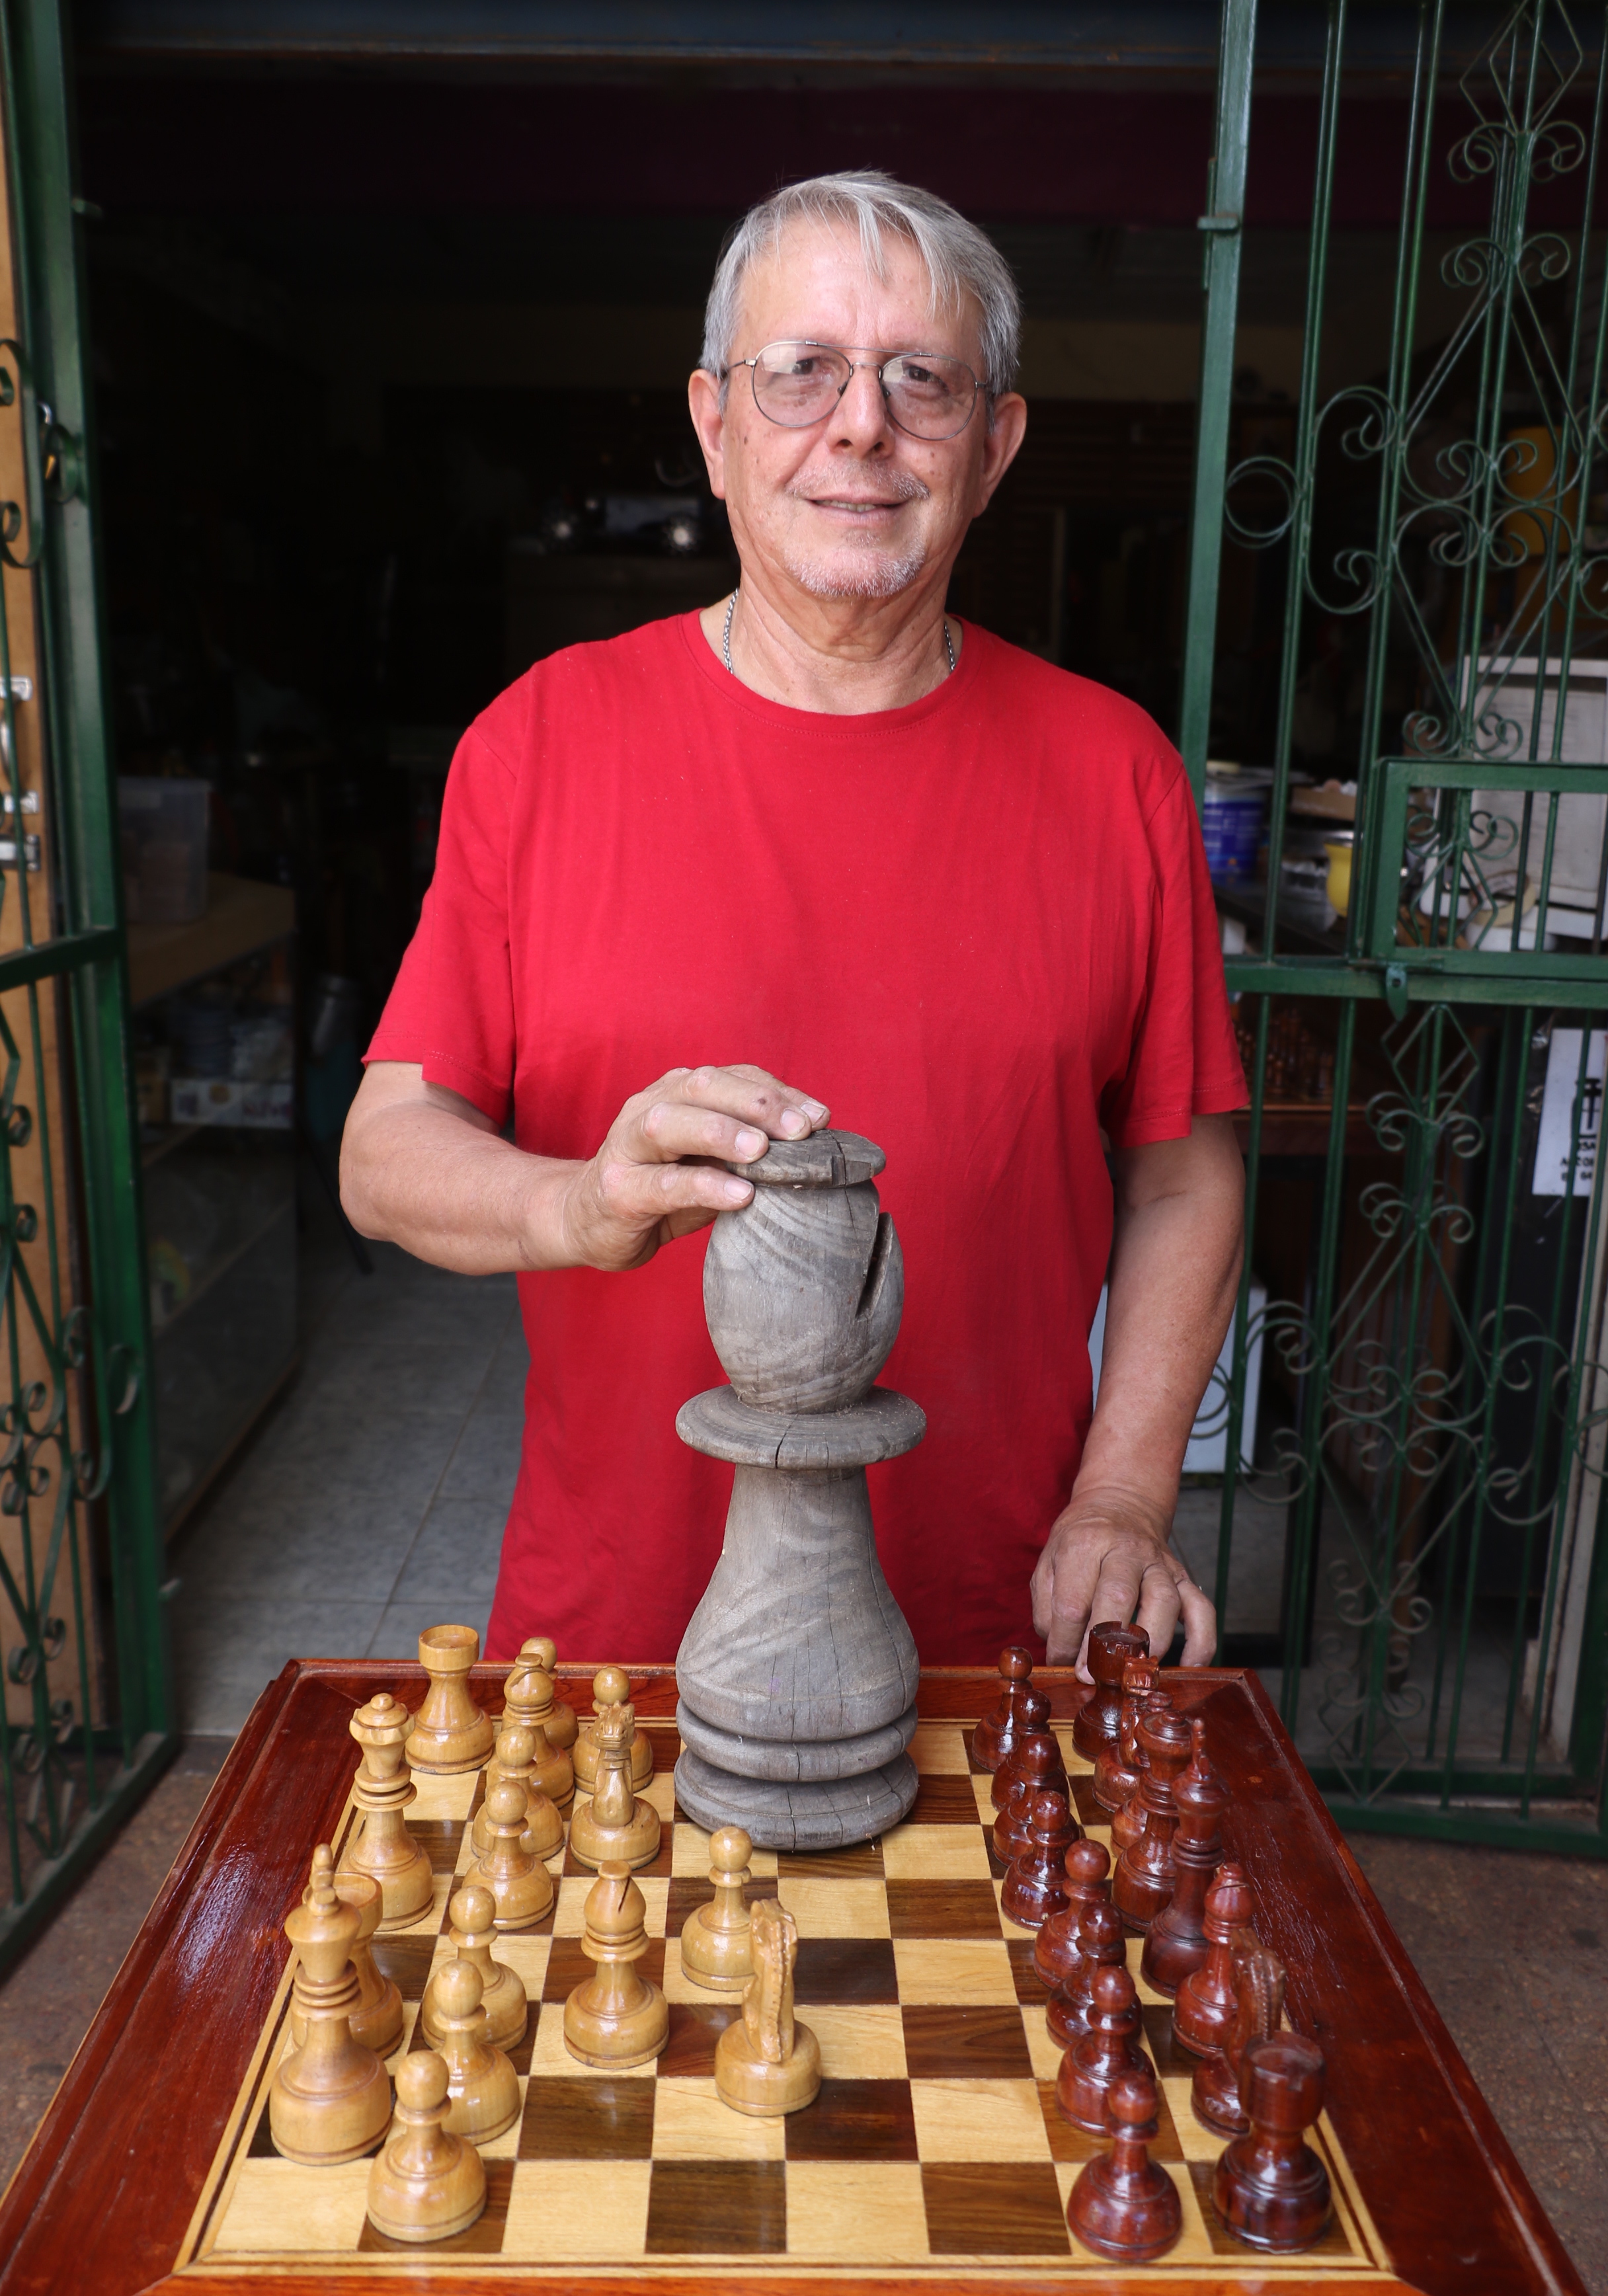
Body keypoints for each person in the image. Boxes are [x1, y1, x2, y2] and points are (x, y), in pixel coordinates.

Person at [341, 169, 1247, 1677]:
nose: (861, 427)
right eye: (801, 372)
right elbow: (383, 1154)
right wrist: (581, 1207)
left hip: (987, 1631)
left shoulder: (1113, 771)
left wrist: (1122, 1498)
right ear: (712, 422)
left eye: (921, 380)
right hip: (624, 1646)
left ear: (996, 444)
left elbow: (1182, 1185)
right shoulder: (542, 741)